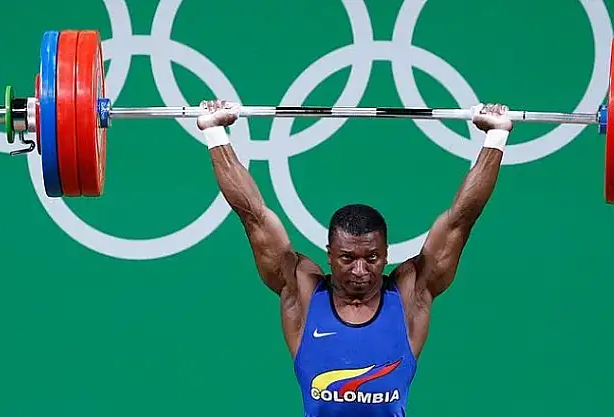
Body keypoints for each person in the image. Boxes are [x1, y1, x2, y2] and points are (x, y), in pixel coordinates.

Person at [197, 100, 512, 417]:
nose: (360, 270)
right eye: (347, 258)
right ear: (330, 255)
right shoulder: (301, 292)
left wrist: (496, 136)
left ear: (386, 254)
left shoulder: (410, 294)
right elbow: (253, 216)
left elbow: (460, 219)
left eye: (372, 257)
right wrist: (214, 132)